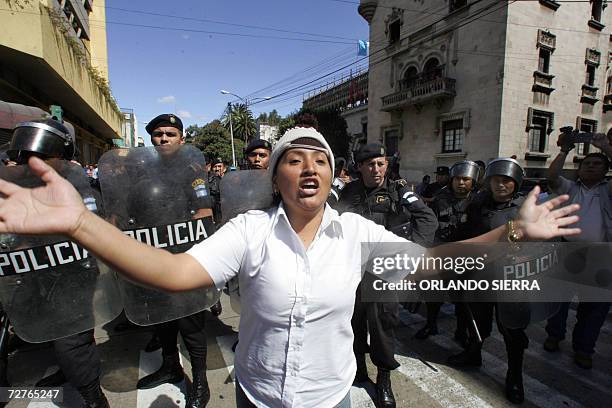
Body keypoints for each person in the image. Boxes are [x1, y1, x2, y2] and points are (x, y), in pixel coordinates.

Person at [0, 127, 581, 408]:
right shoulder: (251, 232)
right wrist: (79, 223)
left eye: (320, 160)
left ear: (332, 177)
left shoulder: (355, 232)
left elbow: (433, 262)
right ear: (275, 178)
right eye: (293, 160)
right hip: (257, 398)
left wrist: (512, 232)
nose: (308, 168)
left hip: (329, 399)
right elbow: (171, 272)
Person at [5, 119, 109, 408]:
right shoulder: (20, 187)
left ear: (61, 158)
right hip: (36, 275)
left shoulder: (78, 187)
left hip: (73, 277)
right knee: (52, 334)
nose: (29, 164)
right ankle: (68, 373)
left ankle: (93, 398)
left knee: (71, 344)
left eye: (39, 159)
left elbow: (93, 231)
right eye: (24, 158)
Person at [332, 143, 438, 408]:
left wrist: (410, 258)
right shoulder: (349, 192)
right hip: (353, 272)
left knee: (382, 328)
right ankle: (358, 369)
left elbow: (428, 221)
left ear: (387, 165)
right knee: (352, 324)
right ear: (360, 167)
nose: (376, 169)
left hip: (383, 274)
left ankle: (384, 379)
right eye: (370, 164)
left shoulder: (399, 192)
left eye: (381, 163)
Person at [135, 114, 213, 408]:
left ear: (181, 138)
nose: (164, 138)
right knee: (162, 320)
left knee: (191, 325)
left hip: (184, 261)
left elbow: (203, 213)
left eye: (170, 133)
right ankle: (170, 366)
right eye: (158, 134)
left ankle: (201, 384)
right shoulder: (142, 173)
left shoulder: (192, 172)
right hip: (154, 259)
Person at [448, 158, 530, 404]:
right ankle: (473, 354)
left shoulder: (527, 209)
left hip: (511, 281)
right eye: (496, 180)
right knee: (478, 324)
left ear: (515, 183)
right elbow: (466, 236)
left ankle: (514, 376)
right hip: (480, 277)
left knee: (513, 332)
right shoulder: (477, 206)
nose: (501, 185)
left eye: (506, 180)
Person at [543, 132, 612, 369]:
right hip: (567, 252)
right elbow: (551, 175)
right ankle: (554, 336)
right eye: (587, 164)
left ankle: (583, 349)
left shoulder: (608, 190)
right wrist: (564, 150)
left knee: (593, 308)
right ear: (579, 169)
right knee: (557, 300)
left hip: (601, 257)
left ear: (605, 170)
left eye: (598, 164)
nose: (592, 167)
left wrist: (606, 147)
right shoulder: (570, 188)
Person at [414, 160, 480, 343]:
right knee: (433, 294)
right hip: (440, 252)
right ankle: (431, 324)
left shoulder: (479, 201)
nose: (461, 183)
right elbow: (428, 224)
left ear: (472, 181)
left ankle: (461, 330)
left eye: (465, 179)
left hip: (466, 258)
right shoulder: (439, 199)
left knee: (463, 298)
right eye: (457, 179)